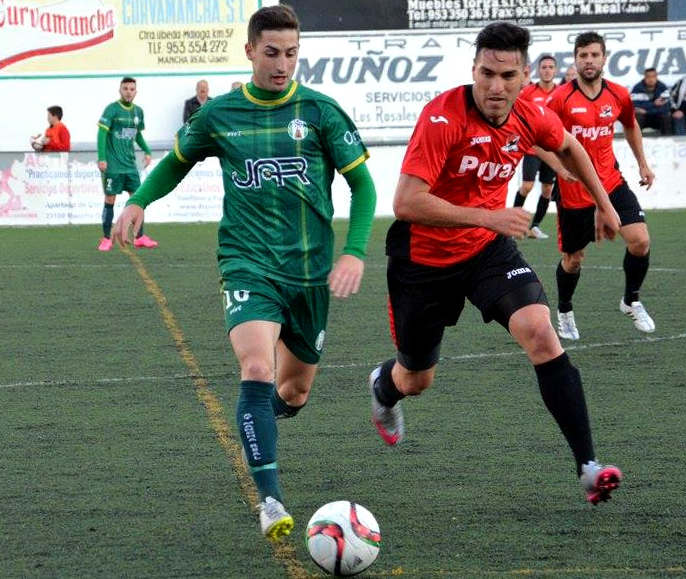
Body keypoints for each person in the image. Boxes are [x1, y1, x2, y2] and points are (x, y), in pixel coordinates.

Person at [112, 5, 376, 541]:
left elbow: (364, 186)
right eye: (272, 52)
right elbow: (176, 162)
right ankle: (270, 499)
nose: (283, 64)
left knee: (294, 392)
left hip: (309, 273)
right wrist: (139, 200)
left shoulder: (320, 111)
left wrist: (354, 251)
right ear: (250, 50)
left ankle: (257, 425)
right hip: (248, 262)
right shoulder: (221, 114)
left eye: (292, 53)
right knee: (256, 368)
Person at [368, 22, 623, 507]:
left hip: (487, 249)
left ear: (525, 76)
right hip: (424, 259)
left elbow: (570, 146)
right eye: (486, 73)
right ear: (474, 70)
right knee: (416, 379)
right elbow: (406, 202)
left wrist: (604, 204)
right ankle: (383, 388)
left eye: (508, 75)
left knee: (541, 332)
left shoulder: (530, 115)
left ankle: (589, 466)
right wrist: (490, 215)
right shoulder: (442, 117)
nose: (495, 86)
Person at [546, 31, 656, 340]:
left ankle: (631, 299)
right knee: (573, 260)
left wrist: (643, 164)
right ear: (576, 59)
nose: (589, 60)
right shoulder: (560, 98)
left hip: (611, 181)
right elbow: (535, 138)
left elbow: (631, 126)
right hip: (574, 192)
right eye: (583, 55)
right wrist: (557, 166)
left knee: (640, 241)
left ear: (604, 58)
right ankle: (565, 310)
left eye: (595, 55)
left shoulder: (619, 94)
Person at [97, 76, 158, 251]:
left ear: (136, 91)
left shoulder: (138, 111)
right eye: (125, 89)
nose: (128, 92)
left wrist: (147, 151)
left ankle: (140, 237)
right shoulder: (112, 109)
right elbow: (101, 134)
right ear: (120, 90)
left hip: (130, 166)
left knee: (137, 200)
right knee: (110, 199)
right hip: (113, 166)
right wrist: (102, 158)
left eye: (131, 89)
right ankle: (106, 238)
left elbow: (137, 134)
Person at [512, 54, 569, 239]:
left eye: (550, 67)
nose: (547, 70)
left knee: (547, 190)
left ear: (555, 70)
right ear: (539, 70)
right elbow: (516, 111)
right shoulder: (528, 92)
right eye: (543, 67)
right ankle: (513, 225)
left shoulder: (561, 92)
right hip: (533, 148)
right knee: (527, 186)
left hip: (553, 149)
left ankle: (535, 226)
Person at [630, 68, 672, 135]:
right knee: (638, 116)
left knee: (665, 116)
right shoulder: (637, 88)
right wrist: (654, 104)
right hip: (644, 118)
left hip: (657, 117)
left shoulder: (662, 88)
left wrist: (647, 110)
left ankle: (667, 141)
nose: (651, 79)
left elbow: (665, 107)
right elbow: (635, 106)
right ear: (644, 77)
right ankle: (636, 142)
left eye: (653, 76)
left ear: (656, 77)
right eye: (648, 77)